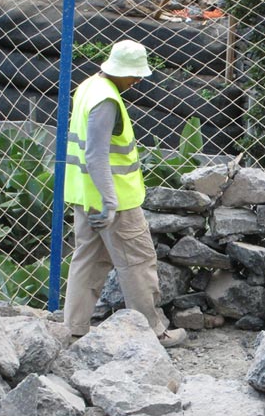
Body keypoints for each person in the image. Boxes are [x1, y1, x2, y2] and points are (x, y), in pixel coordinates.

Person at [63, 39, 187, 347]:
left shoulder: (89, 87)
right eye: (134, 74)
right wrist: (110, 201)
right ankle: (154, 332)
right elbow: (96, 155)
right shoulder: (107, 101)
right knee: (138, 263)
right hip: (113, 201)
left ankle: (74, 328)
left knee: (88, 260)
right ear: (121, 71)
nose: (136, 81)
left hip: (85, 196)